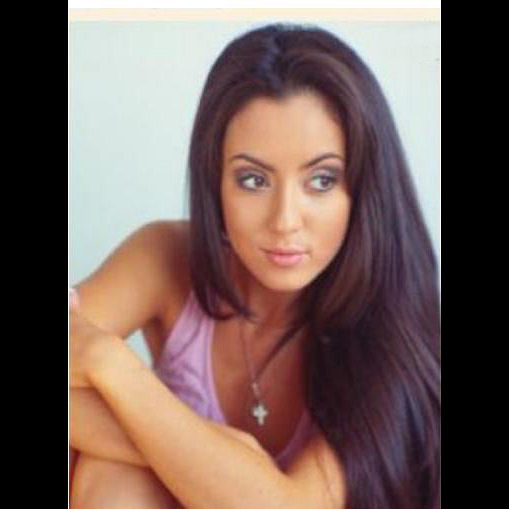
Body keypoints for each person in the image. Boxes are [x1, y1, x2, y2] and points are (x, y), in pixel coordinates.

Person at [69, 23, 440, 509]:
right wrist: (220, 458)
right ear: (214, 181)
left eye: (321, 180)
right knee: (109, 472)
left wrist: (110, 364)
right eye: (253, 180)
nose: (284, 221)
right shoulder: (167, 258)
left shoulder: (393, 324)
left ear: (363, 187)